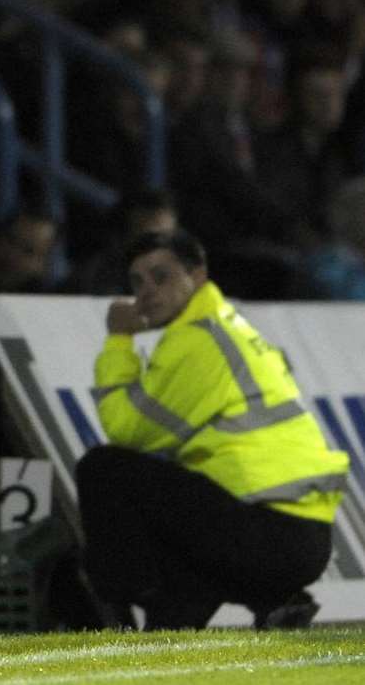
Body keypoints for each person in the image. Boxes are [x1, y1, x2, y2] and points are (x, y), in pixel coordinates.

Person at [77, 229, 349, 630]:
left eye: (161, 276)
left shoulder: (197, 340)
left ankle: (116, 610)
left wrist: (119, 341)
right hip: (301, 535)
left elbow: (125, 430)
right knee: (175, 599)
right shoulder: (228, 325)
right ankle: (273, 603)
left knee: (104, 469)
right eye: (137, 282)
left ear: (198, 276)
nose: (147, 291)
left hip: (267, 530)